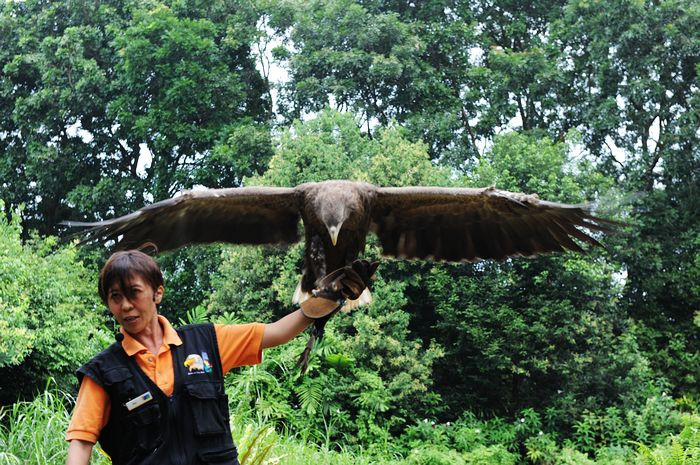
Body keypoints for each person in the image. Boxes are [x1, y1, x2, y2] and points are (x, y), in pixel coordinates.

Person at [65, 249, 375, 465]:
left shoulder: (207, 341)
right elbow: (81, 443)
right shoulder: (104, 372)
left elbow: (276, 332)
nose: (126, 305)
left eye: (133, 292)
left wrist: (331, 297)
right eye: (115, 297)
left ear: (157, 293)